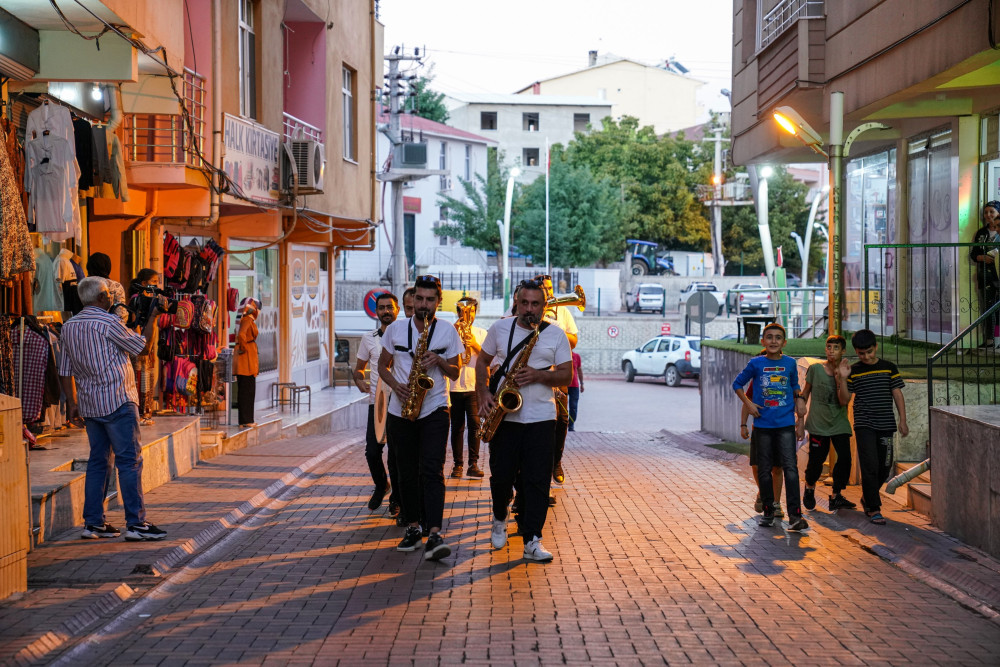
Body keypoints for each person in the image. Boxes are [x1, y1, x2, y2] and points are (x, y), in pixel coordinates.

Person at [58, 277, 166, 541]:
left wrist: (72, 403)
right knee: (129, 462)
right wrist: (153, 319)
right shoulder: (108, 323)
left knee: (98, 463)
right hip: (118, 400)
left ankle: (93, 523)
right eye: (108, 294)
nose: (110, 298)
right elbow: (143, 348)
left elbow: (64, 370)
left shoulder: (68, 326)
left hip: (90, 404)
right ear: (102, 298)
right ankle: (136, 524)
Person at [476, 279, 572, 562]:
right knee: (502, 477)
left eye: (535, 304)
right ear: (516, 302)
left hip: (542, 418)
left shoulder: (556, 335)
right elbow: (482, 361)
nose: (529, 309)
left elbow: (566, 375)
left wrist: (540, 375)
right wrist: (482, 392)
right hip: (506, 418)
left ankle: (532, 538)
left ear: (545, 307)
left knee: (538, 482)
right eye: (524, 303)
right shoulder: (499, 328)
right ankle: (499, 516)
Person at [378, 275, 463, 561]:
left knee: (432, 469)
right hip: (400, 409)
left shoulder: (448, 331)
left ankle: (435, 532)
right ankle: (413, 527)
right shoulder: (396, 330)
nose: (424, 305)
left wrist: (438, 360)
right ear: (412, 300)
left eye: (430, 300)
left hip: (436, 406)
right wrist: (395, 386)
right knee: (405, 471)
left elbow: (456, 372)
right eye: (419, 300)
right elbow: (381, 365)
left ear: (439, 302)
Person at [733, 323, 809, 531]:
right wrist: (748, 404)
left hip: (785, 425)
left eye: (777, 338)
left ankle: (795, 515)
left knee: (790, 469)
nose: (773, 341)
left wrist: (800, 402)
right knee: (764, 469)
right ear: (763, 341)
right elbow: (737, 384)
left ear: (784, 342)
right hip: (763, 426)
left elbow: (794, 386)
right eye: (769, 337)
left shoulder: (790, 364)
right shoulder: (756, 363)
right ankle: (768, 510)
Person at [846, 329, 909, 525]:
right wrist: (841, 377)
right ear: (856, 352)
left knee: (885, 465)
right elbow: (844, 399)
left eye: (869, 352)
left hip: (886, 424)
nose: (865, 356)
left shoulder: (889, 367)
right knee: (870, 465)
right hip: (864, 424)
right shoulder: (854, 371)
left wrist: (903, 420)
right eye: (861, 353)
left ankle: (867, 496)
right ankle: (874, 508)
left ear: (876, 347)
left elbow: (897, 394)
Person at [353, 292, 400, 514]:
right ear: (376, 311)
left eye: (389, 307)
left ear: (397, 309)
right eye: (381, 308)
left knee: (397, 455)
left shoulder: (405, 335)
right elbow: (358, 370)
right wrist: (360, 382)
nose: (385, 311)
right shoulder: (368, 338)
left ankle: (397, 500)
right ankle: (382, 486)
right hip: (377, 403)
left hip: (401, 402)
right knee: (372, 452)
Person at [799, 335, 856, 512]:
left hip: (839, 423)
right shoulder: (816, 369)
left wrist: (842, 378)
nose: (831, 351)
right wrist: (800, 415)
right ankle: (809, 487)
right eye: (829, 347)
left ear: (843, 351)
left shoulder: (847, 370)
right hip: (818, 423)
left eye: (836, 347)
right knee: (816, 461)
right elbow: (805, 392)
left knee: (845, 459)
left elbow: (843, 401)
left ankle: (836, 495)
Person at [534, 274, 578, 490]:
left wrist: (555, 330)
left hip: (557, 371)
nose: (549, 292)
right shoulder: (525, 308)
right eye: (544, 287)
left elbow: (574, 340)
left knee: (562, 420)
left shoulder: (562, 311)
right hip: (534, 370)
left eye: (550, 288)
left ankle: (556, 463)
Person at [739, 349, 783, 516]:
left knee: (777, 467)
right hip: (760, 429)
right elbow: (746, 401)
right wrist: (743, 424)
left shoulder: (784, 378)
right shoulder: (756, 380)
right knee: (757, 466)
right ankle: (763, 492)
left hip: (780, 429)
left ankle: (776, 503)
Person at [449, 296, 488, 478]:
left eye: (471, 311)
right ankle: (458, 465)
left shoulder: (481, 333)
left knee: (475, 425)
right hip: (453, 386)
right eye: (464, 311)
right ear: (458, 313)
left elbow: (489, 360)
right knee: (457, 427)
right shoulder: (450, 332)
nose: (468, 314)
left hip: (473, 386)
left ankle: (473, 464)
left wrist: (473, 345)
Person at [128, 268, 160, 426]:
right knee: (138, 377)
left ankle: (146, 413)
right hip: (139, 343)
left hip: (147, 343)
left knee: (146, 378)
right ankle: (138, 413)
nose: (156, 285)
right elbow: (135, 322)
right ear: (143, 283)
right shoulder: (136, 299)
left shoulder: (149, 299)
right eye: (153, 282)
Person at [969, 200, 1000, 347]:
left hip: (997, 275)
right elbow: (974, 254)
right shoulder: (981, 233)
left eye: (992, 212)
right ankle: (990, 340)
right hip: (985, 277)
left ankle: (998, 340)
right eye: (986, 212)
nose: (988, 215)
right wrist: (983, 258)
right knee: (988, 309)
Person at [234, 297, 260, 427]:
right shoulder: (247, 320)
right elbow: (242, 335)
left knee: (246, 390)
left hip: (246, 359)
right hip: (246, 360)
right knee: (247, 390)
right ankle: (247, 420)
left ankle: (245, 420)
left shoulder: (246, 320)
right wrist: (244, 348)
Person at [86, 252, 128, 324]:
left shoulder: (83, 285)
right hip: (109, 328)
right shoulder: (116, 286)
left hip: (84, 328)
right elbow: (121, 314)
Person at [567, 350, 583, 431]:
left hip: (574, 386)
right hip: (563, 385)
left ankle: (571, 424)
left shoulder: (576, 356)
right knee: (562, 406)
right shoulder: (562, 355)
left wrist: (582, 384)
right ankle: (562, 423)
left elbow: (579, 370)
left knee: (573, 406)